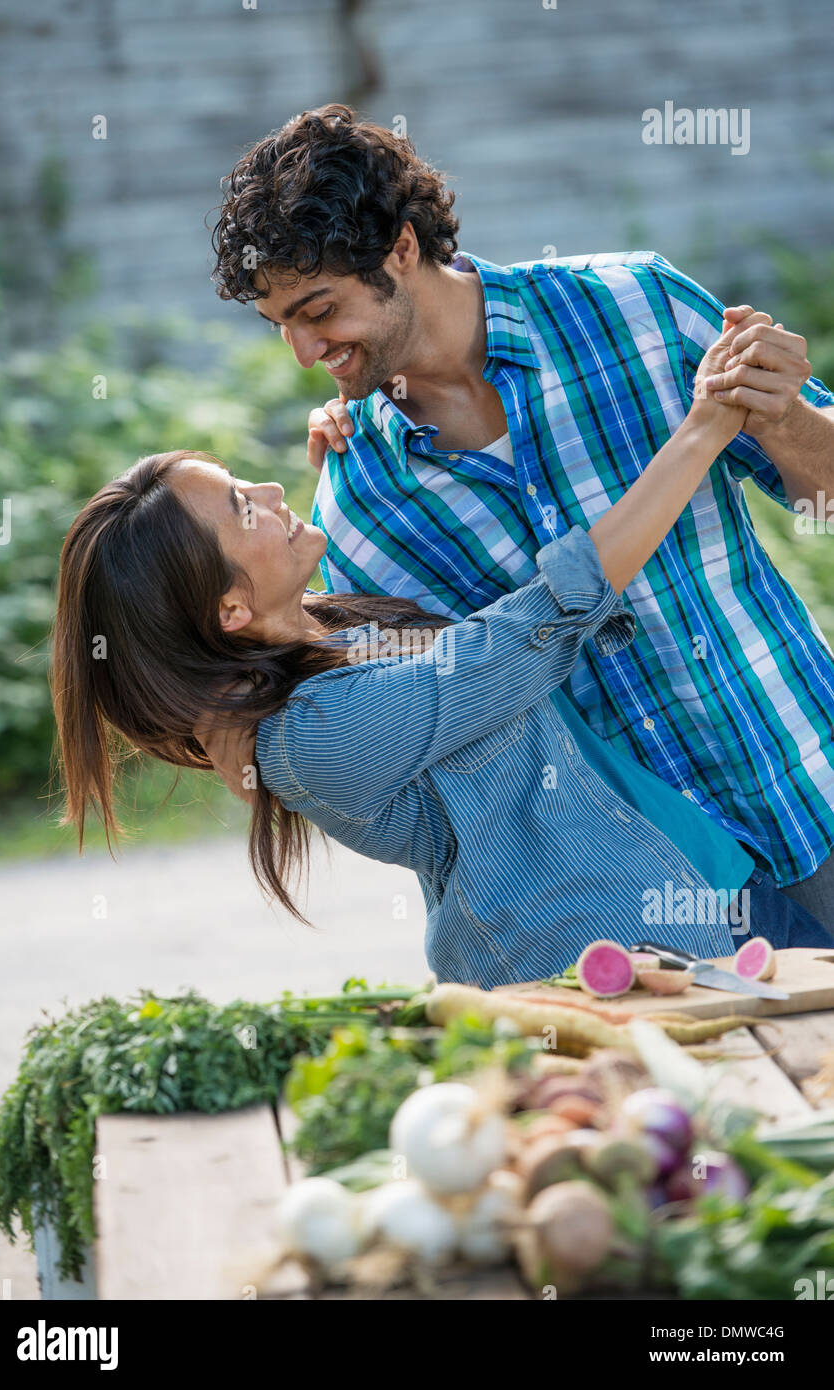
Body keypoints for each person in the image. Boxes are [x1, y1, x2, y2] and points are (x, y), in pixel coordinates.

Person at [51, 322, 832, 989]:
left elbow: (373, 633)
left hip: (711, 884)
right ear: (227, 608)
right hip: (621, 960)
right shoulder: (311, 736)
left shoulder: (327, 641)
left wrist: (356, 464)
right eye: (238, 506)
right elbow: (531, 630)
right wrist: (700, 430)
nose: (267, 488)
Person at [209, 103, 834, 929]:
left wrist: (785, 417)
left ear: (399, 247)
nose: (303, 353)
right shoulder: (360, 504)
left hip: (809, 782)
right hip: (657, 905)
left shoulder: (635, 307)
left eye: (318, 311)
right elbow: (440, 728)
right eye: (279, 324)